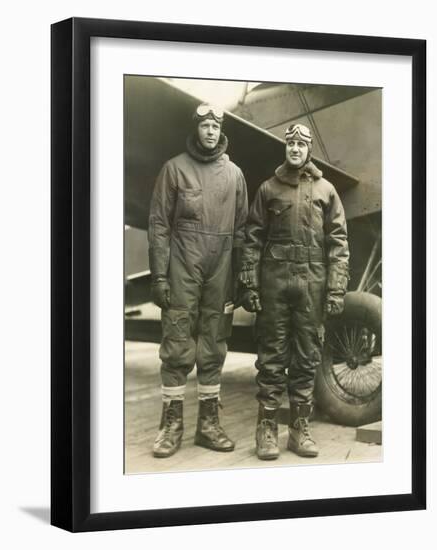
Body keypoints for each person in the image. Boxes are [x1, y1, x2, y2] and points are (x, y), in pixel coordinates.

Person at [239, 123, 349, 460]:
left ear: (309, 149)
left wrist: (336, 290)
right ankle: (267, 428)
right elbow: (252, 239)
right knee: (271, 359)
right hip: (275, 286)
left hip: (312, 287)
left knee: (306, 358)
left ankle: (299, 429)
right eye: (291, 144)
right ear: (285, 148)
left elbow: (339, 244)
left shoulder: (327, 191)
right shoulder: (269, 189)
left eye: (301, 144)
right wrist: (250, 284)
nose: (296, 149)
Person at [148, 103, 248, 458]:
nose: (209, 131)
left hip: (220, 271)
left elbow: (241, 232)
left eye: (215, 125)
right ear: (196, 129)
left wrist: (241, 278)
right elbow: (159, 226)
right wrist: (159, 274)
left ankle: (208, 425)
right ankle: (170, 426)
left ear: (221, 131)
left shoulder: (235, 175)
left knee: (214, 343)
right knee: (176, 344)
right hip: (182, 269)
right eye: (204, 125)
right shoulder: (174, 170)